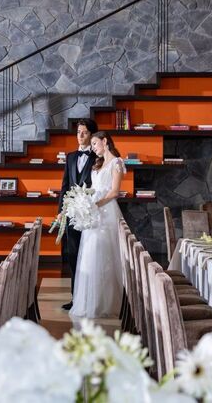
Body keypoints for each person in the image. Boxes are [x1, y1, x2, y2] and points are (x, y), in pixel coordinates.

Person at [69, 131, 125, 319]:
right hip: (93, 213)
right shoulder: (98, 163)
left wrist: (95, 204)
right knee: (90, 255)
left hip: (107, 212)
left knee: (106, 255)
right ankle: (90, 302)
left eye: (94, 143)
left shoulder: (117, 163)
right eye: (91, 145)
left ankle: (108, 303)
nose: (92, 147)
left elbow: (115, 191)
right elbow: (94, 188)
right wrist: (84, 202)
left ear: (105, 141)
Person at [57, 118, 98, 311]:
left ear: (92, 135)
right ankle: (76, 298)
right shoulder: (70, 157)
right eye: (78, 132)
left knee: (90, 256)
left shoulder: (98, 157)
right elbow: (65, 186)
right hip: (72, 214)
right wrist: (61, 211)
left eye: (84, 132)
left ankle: (91, 297)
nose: (80, 135)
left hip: (92, 215)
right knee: (73, 255)